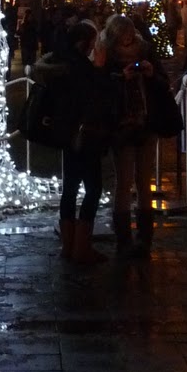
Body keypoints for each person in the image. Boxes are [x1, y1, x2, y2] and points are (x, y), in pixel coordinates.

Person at [31, 19, 114, 265]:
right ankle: (81, 247)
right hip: (85, 134)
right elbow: (94, 97)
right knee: (93, 189)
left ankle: (68, 245)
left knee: (69, 188)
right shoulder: (80, 68)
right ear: (83, 43)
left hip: (66, 135)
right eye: (91, 43)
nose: (93, 47)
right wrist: (99, 68)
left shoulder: (61, 64)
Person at [97, 14, 174, 257]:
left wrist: (151, 74)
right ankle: (124, 240)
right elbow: (99, 87)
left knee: (144, 181)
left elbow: (164, 82)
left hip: (146, 123)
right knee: (124, 182)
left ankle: (144, 238)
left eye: (131, 38)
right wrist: (121, 78)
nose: (129, 43)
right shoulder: (106, 56)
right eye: (124, 39)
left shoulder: (145, 51)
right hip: (122, 126)